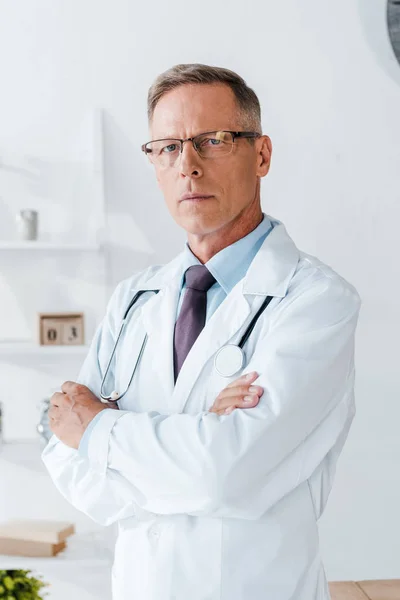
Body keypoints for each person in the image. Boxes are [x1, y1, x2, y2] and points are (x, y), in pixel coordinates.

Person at [42, 63, 361, 600]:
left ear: (261, 155)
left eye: (212, 141)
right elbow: (65, 461)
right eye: (167, 147)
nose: (186, 166)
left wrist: (100, 431)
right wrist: (197, 434)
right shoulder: (133, 299)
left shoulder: (316, 302)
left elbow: (224, 473)